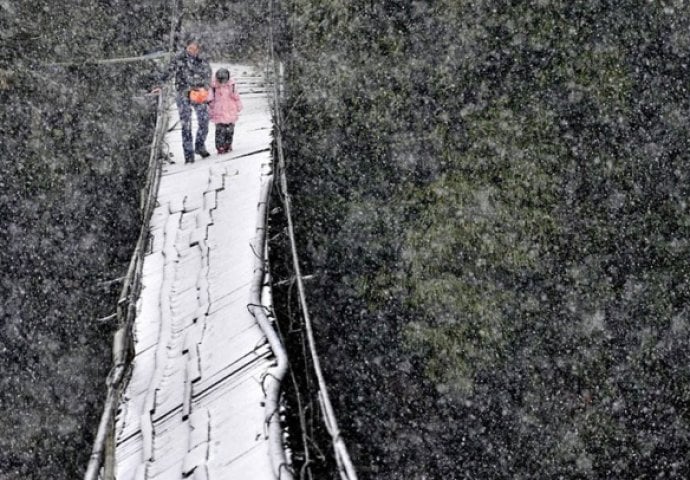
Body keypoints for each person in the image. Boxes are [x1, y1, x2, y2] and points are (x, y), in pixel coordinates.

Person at [152, 37, 212, 164]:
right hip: (183, 92)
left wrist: (205, 87)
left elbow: (208, 74)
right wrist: (159, 84)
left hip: (198, 93)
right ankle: (188, 155)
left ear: (198, 50)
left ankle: (200, 146)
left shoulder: (202, 60)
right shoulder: (179, 59)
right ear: (186, 47)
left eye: (195, 48)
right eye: (190, 48)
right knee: (186, 124)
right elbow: (168, 72)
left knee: (204, 120)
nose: (192, 51)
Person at [208, 68, 243, 154]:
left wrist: (239, 106)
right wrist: (210, 110)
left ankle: (228, 145)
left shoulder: (232, 86)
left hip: (230, 111)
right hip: (218, 112)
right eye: (221, 79)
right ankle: (220, 146)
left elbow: (236, 97)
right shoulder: (214, 87)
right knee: (220, 131)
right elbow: (210, 99)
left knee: (230, 130)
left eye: (224, 79)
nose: (223, 81)